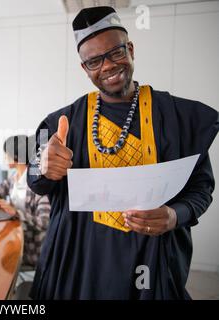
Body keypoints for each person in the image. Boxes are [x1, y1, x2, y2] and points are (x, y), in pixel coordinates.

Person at [27, 6, 219, 299]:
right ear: (84, 67)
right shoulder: (61, 122)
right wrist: (44, 168)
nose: (107, 66)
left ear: (130, 49)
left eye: (115, 53)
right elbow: (35, 180)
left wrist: (174, 215)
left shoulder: (178, 117)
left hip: (151, 259)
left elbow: (201, 188)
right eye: (94, 61)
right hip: (80, 259)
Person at [0, 135, 50, 268]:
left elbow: (45, 223)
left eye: (6, 154)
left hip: (32, 247)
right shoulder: (15, 177)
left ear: (16, 157)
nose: (4, 158)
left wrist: (16, 213)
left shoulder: (38, 184)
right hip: (16, 236)